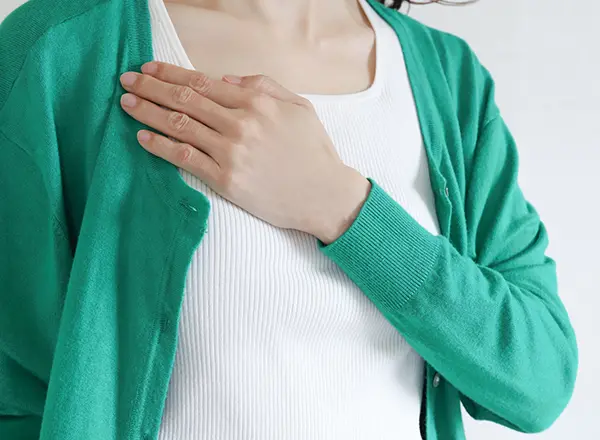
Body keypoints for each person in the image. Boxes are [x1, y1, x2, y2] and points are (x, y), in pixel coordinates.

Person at [0, 0, 578, 439]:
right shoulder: (58, 48)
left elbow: (538, 381)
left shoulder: (450, 78)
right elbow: (15, 398)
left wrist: (341, 207)